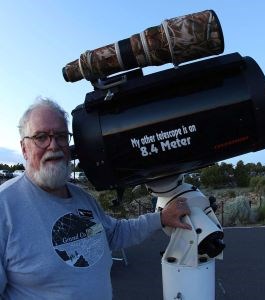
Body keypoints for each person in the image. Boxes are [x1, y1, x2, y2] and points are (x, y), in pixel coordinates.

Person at [0, 97, 191, 300]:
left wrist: (161, 218)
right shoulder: (5, 207)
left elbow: (114, 234)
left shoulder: (82, 198)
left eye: (61, 136)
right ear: (24, 148)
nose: (53, 145)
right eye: (41, 137)